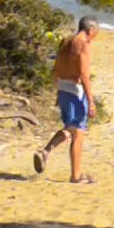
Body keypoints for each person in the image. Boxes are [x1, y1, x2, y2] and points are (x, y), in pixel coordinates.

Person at [34, 16, 100, 184]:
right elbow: (84, 75)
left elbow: (55, 69)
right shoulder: (83, 46)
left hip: (62, 88)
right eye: (95, 34)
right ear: (90, 31)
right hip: (75, 91)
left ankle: (45, 152)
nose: (95, 38)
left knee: (69, 129)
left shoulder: (64, 42)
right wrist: (91, 101)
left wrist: (58, 92)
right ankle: (76, 176)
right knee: (78, 133)